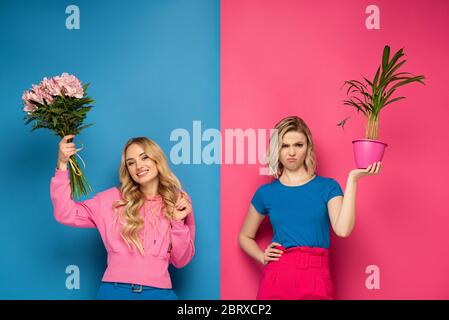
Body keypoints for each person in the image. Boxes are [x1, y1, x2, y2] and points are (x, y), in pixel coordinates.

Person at [238, 116, 381, 300]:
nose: (292, 152)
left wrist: (353, 180)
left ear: (308, 147)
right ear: (276, 149)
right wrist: (262, 256)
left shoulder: (328, 187)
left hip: (315, 275)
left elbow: (343, 230)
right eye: (284, 145)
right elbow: (244, 236)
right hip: (277, 276)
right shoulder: (266, 193)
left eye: (298, 145)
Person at [51, 135, 195, 300]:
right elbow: (65, 213)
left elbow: (181, 260)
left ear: (157, 159)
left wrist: (177, 222)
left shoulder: (178, 200)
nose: (138, 166)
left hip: (160, 293)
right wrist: (62, 165)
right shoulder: (110, 200)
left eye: (144, 157)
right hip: (115, 292)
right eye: (131, 163)